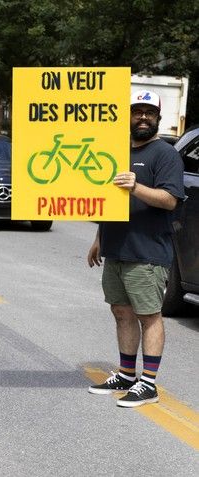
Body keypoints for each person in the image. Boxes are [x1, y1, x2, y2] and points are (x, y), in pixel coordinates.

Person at [87, 90, 184, 407]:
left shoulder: (165, 155)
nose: (142, 117)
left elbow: (170, 200)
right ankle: (127, 374)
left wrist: (137, 186)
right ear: (127, 116)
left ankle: (149, 384)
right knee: (121, 312)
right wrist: (100, 237)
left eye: (149, 112)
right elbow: (108, 199)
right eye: (137, 111)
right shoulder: (115, 152)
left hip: (148, 252)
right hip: (115, 248)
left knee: (149, 316)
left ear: (158, 118)